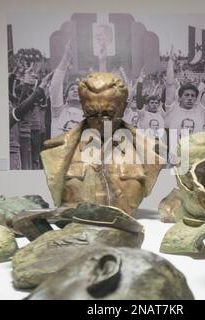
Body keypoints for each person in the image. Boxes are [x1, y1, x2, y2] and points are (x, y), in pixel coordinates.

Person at [40, 72, 164, 216]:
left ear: (123, 107)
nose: (100, 120)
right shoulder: (58, 150)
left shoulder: (149, 150)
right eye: (91, 112)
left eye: (108, 113)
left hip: (125, 229)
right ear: (82, 107)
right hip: (78, 228)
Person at [50, 40, 84, 138]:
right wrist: (65, 59)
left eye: (78, 90)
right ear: (66, 97)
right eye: (72, 89)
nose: (74, 90)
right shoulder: (59, 111)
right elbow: (55, 85)